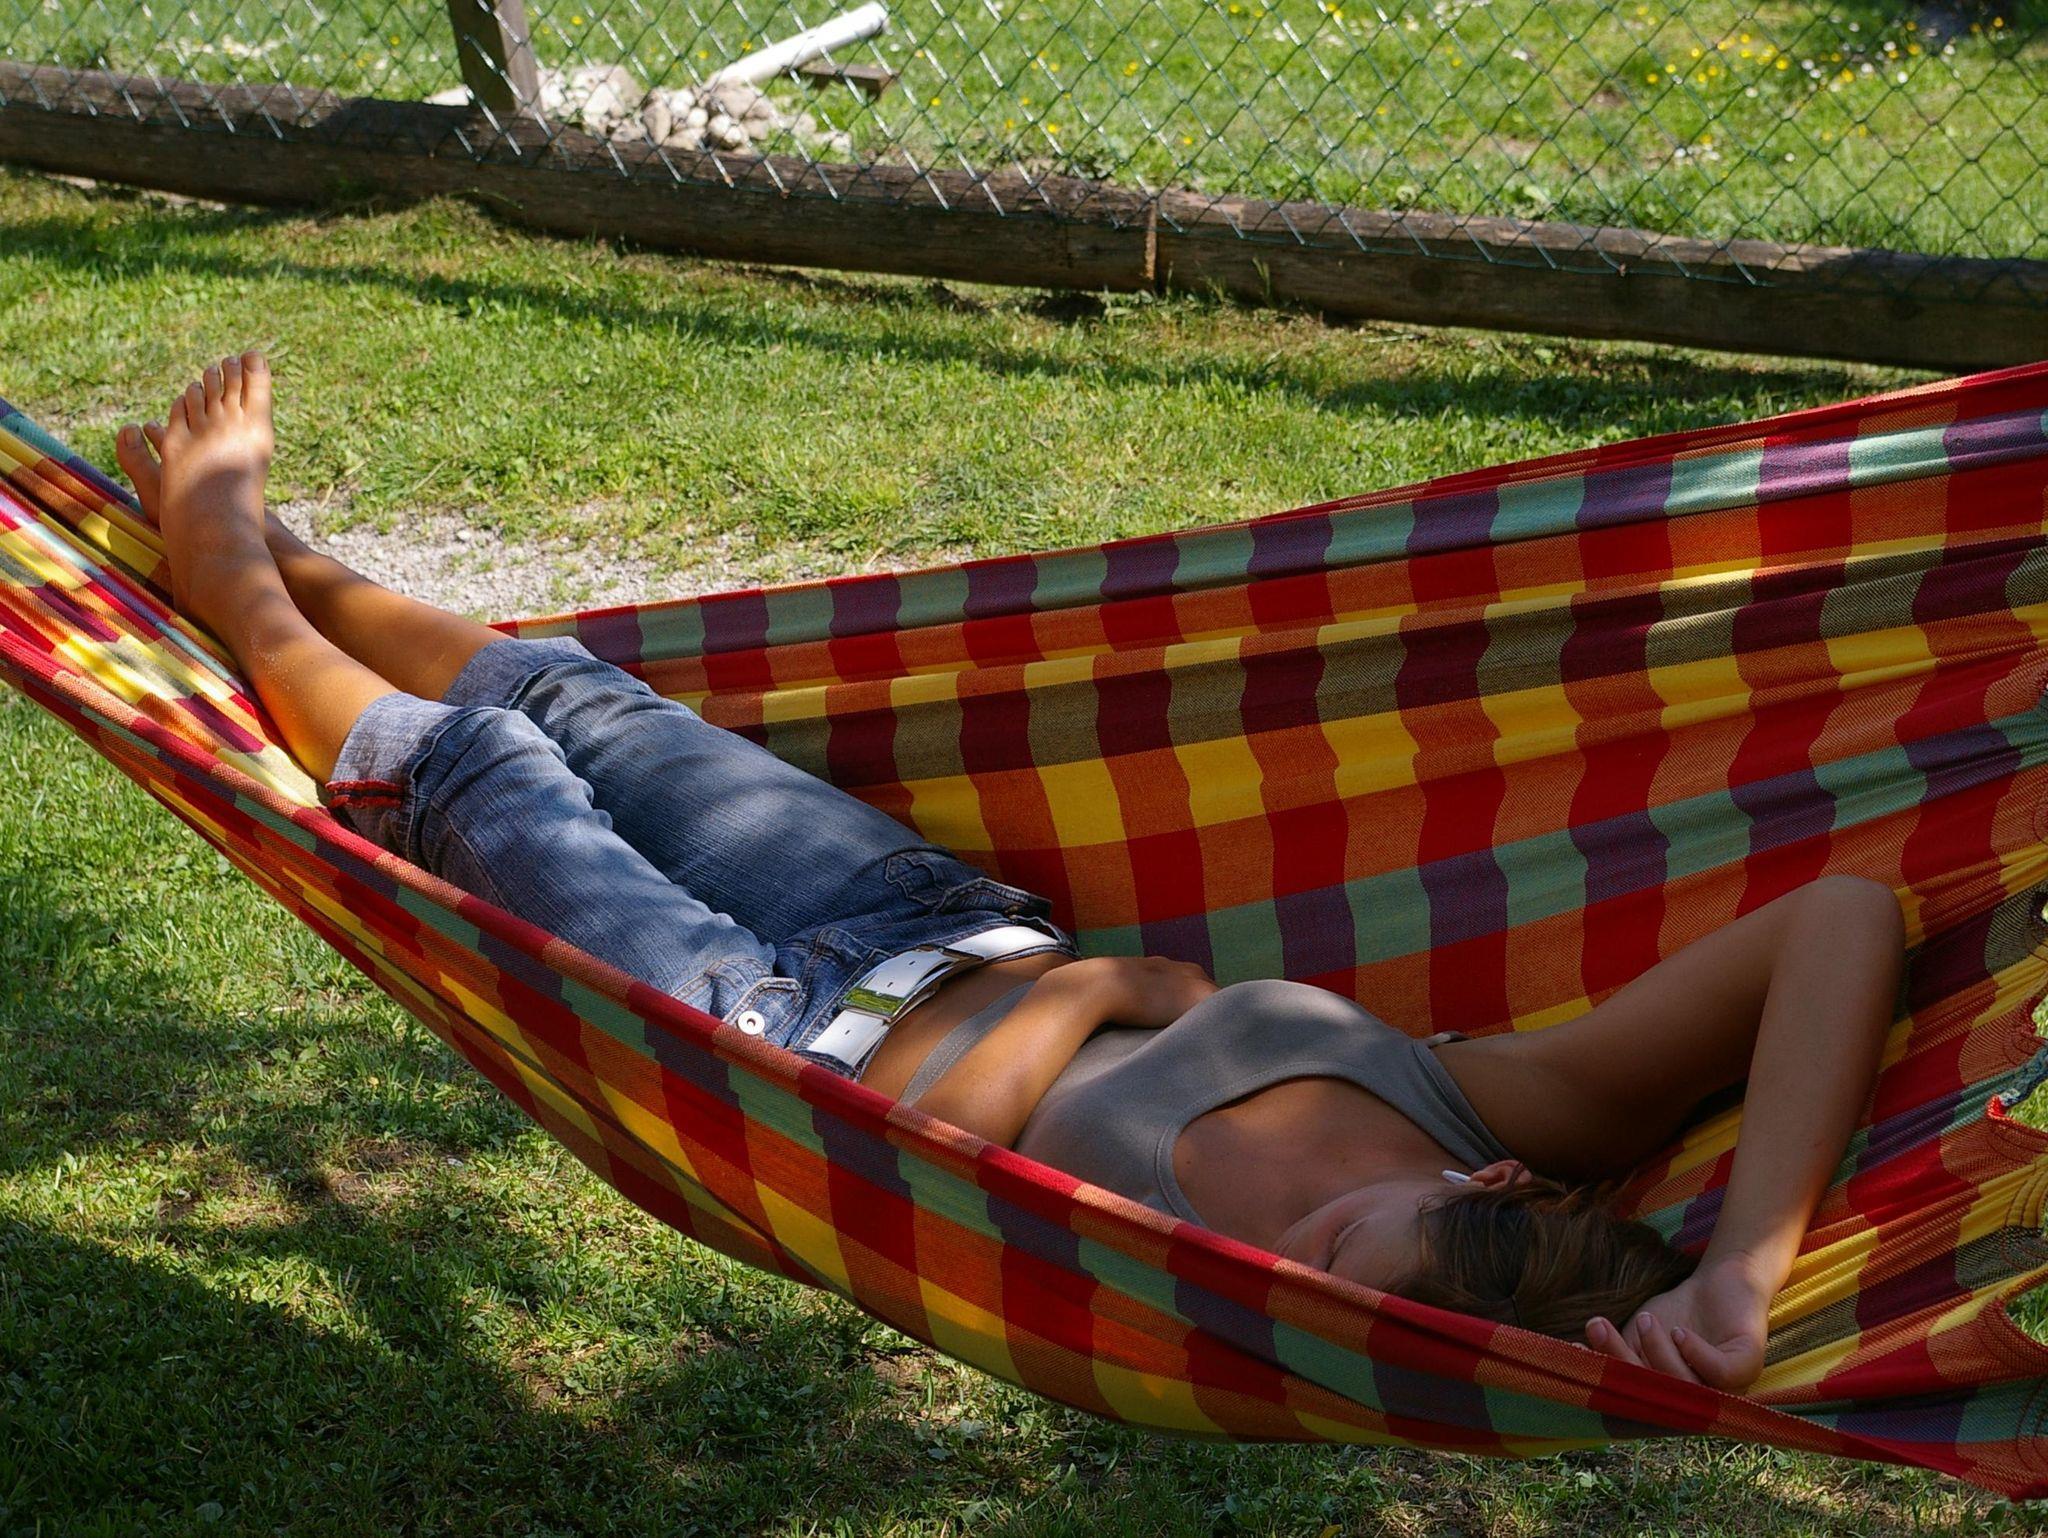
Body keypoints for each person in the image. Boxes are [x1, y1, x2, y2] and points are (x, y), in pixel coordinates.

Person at [113, 354, 1908, 1396]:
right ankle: (273, 544)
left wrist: (1108, 987)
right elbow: (1837, 920)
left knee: (481, 772)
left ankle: (223, 558)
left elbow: (919, 1137)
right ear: (1487, 1180)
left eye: (1327, 1286)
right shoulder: (1492, 1105)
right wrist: (1742, 1275)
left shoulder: (1279, 1305)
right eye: (1346, 1243)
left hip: (768, 1045)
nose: (1300, 1268)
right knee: (582, 697)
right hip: (926, 918)